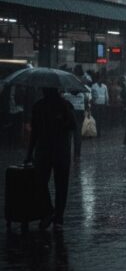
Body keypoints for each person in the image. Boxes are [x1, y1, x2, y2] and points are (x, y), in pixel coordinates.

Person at [25, 87, 77, 231]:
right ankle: (51, 212)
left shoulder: (64, 105)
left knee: (54, 184)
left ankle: (57, 216)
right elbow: (34, 132)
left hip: (55, 151)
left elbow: (72, 124)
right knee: (44, 183)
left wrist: (61, 123)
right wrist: (30, 153)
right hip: (50, 151)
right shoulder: (39, 106)